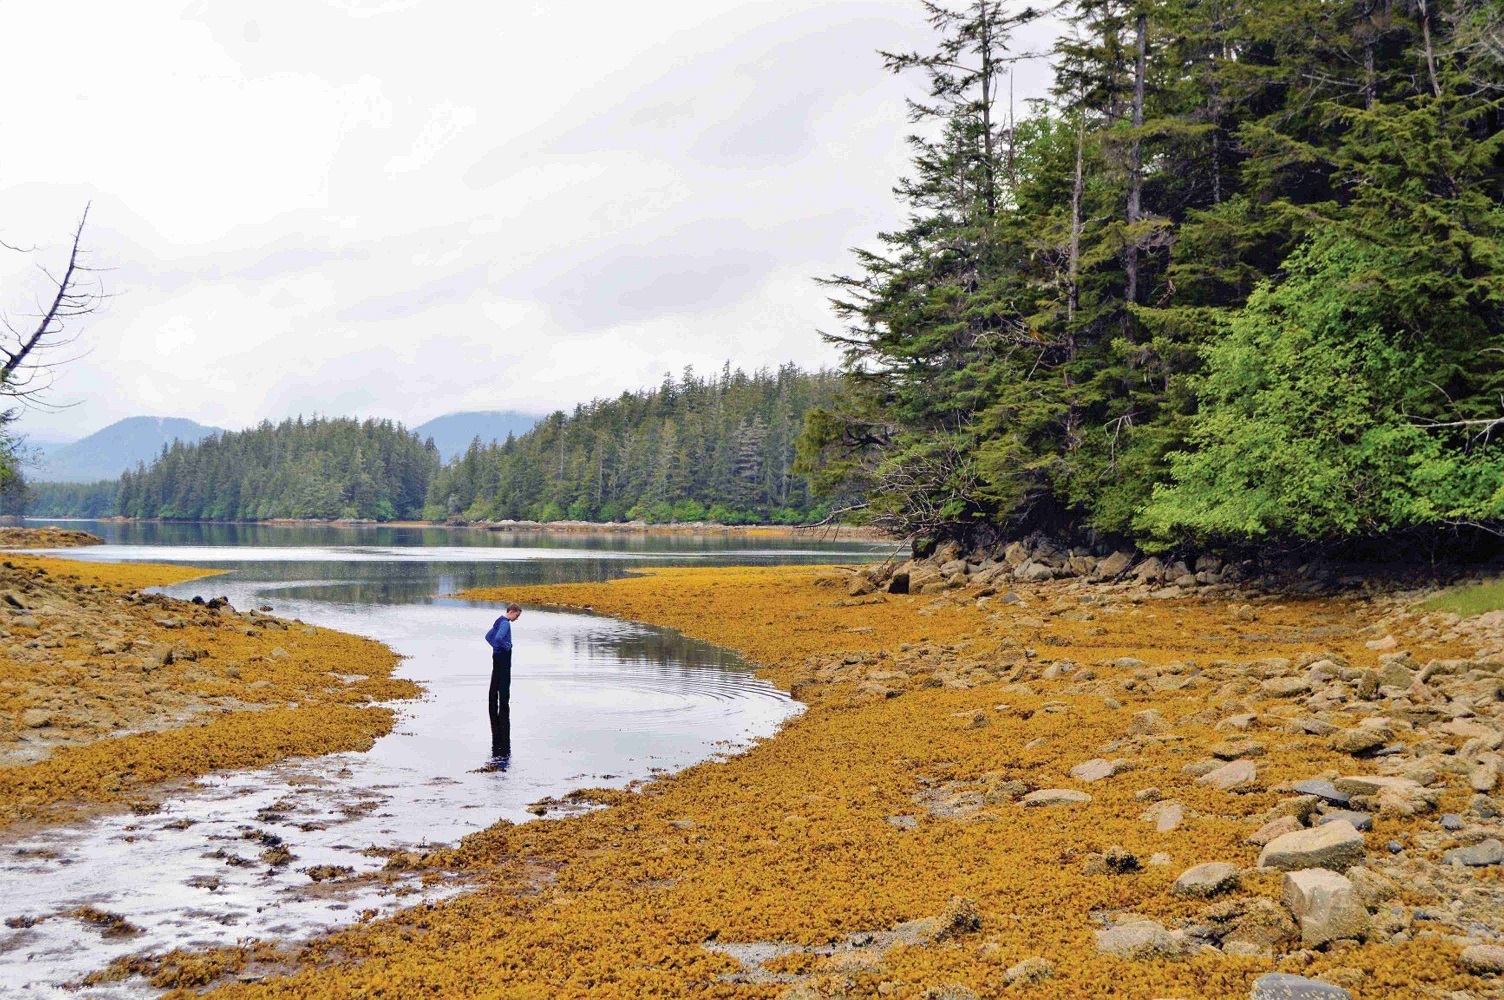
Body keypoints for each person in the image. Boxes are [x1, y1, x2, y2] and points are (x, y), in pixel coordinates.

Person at [484, 604, 522, 753]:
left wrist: (496, 648)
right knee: (504, 687)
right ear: (511, 612)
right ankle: (503, 709)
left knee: (495, 684)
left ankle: (493, 707)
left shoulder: (499, 621)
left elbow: (488, 637)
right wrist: (507, 646)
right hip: (504, 659)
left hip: (496, 657)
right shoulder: (505, 624)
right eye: (517, 615)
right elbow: (499, 637)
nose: (516, 619)